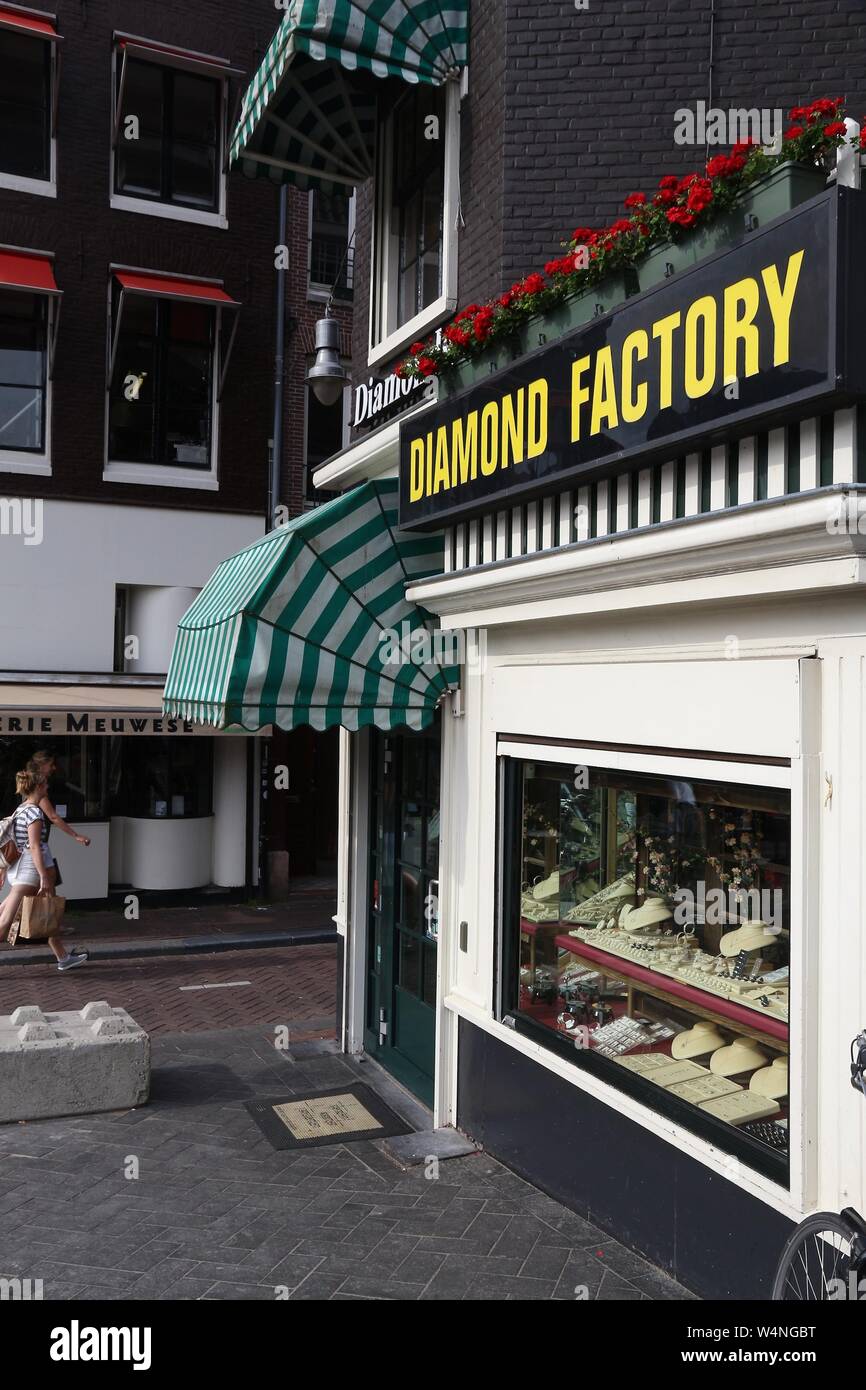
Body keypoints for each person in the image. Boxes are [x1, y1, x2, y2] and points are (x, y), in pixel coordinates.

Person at [0, 769, 88, 970]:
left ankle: (63, 958)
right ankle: (63, 958)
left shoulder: (20, 809)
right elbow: (34, 846)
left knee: (46, 911)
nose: (48, 787)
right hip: (28, 872)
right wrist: (43, 877)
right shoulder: (34, 812)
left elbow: (13, 842)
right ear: (38, 787)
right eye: (46, 784)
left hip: (20, 869)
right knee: (4, 924)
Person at [27, 751, 91, 891]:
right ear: (42, 765)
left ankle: (48, 910)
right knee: (41, 884)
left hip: (39, 843)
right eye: (51, 765)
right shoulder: (38, 788)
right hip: (38, 844)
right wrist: (76, 835)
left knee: (46, 882)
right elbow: (52, 816)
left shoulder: (32, 784)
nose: (54, 768)